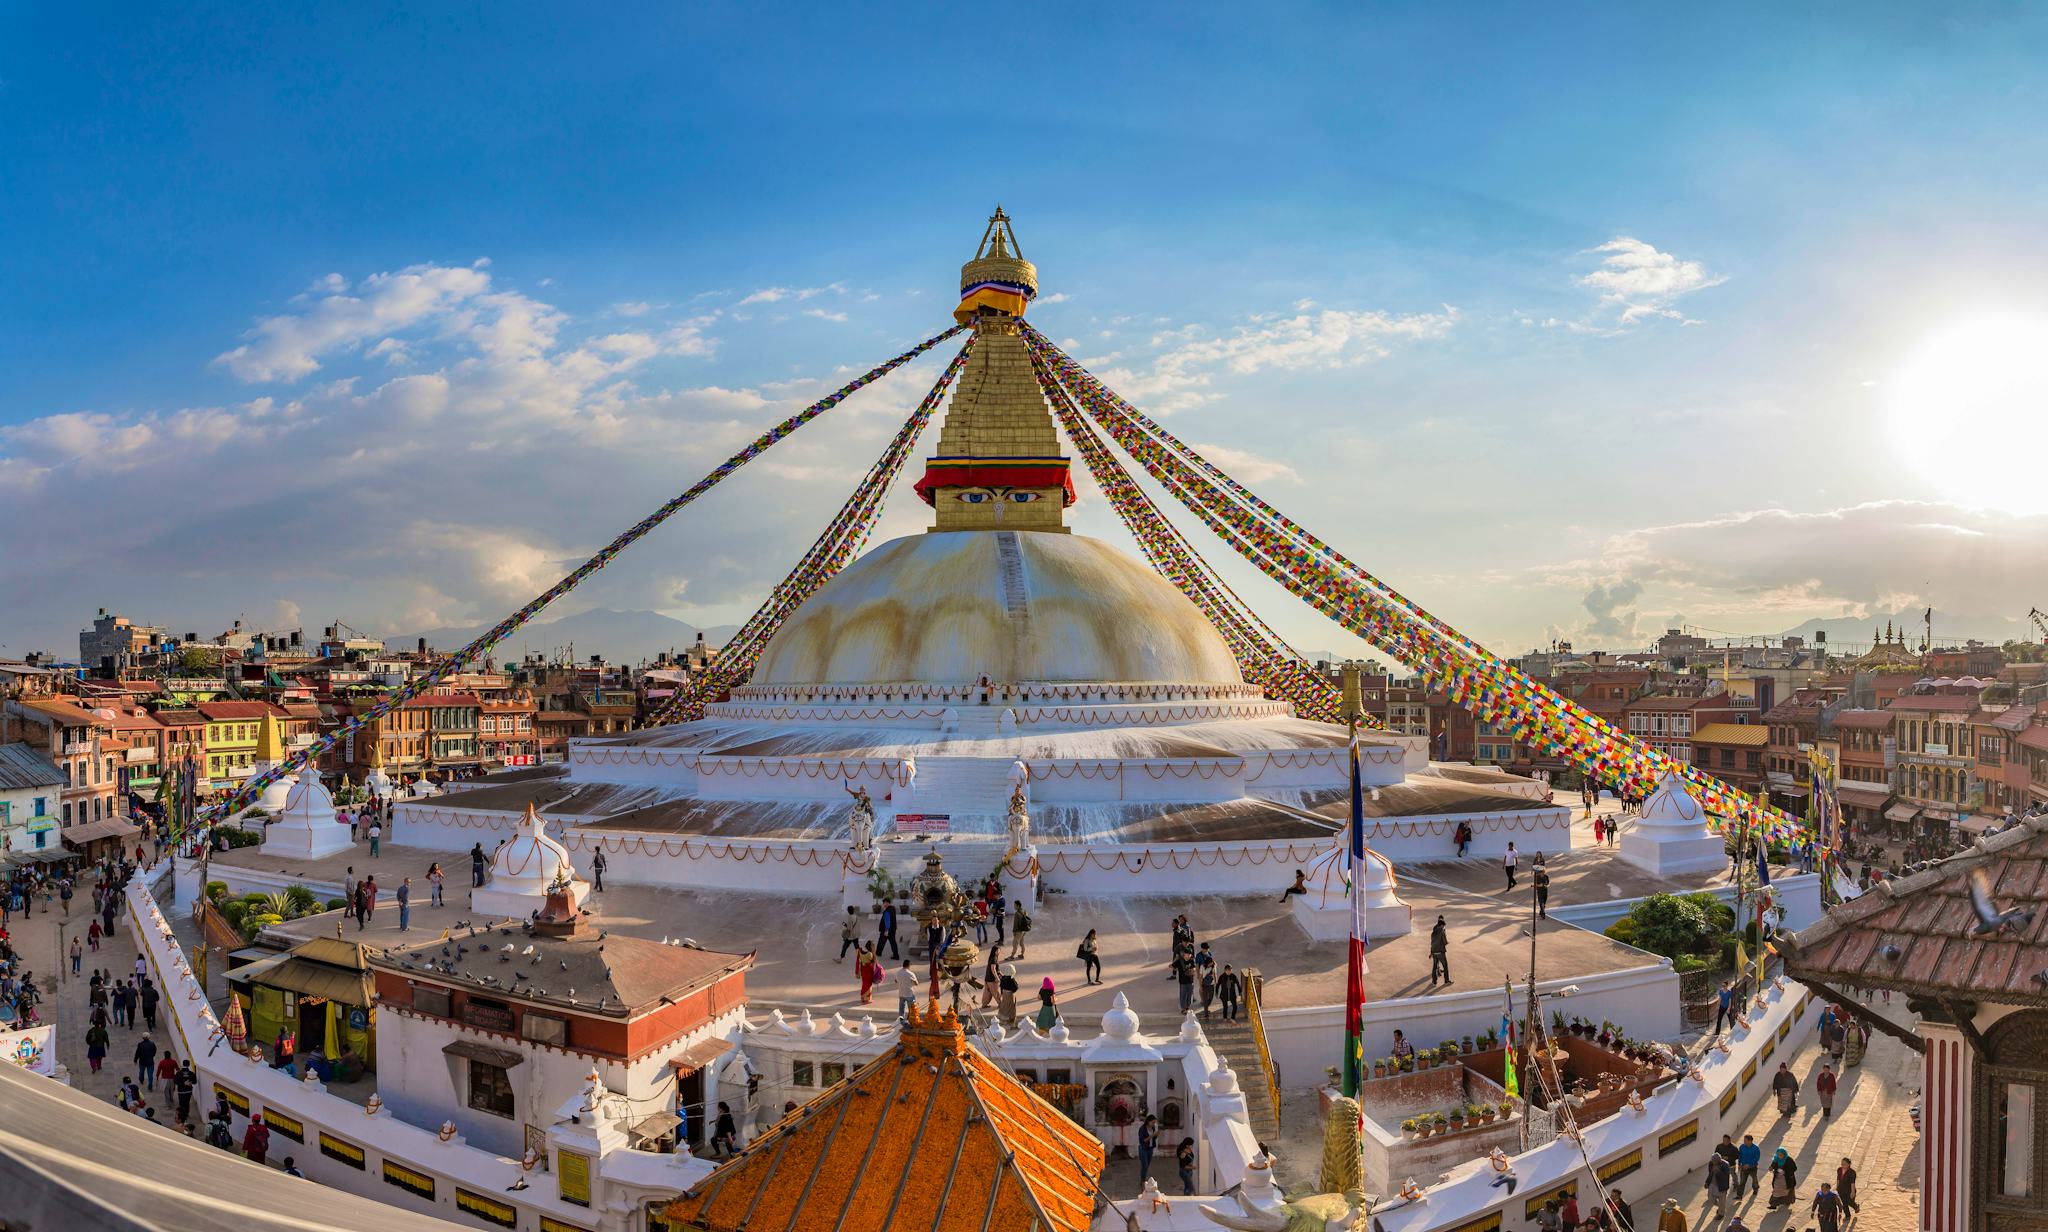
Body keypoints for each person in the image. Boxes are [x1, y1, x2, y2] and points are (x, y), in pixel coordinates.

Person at [1704, 1143, 1732, 1224]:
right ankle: (1720, 1207)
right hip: (1713, 1184)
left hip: (1722, 1185)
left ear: (1719, 1160)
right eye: (1713, 1162)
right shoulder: (1711, 1163)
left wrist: (1718, 1172)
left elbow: (1726, 1176)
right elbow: (1710, 1173)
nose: (1714, 1163)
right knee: (1711, 1199)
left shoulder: (1725, 1165)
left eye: (1715, 1162)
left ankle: (1721, 1213)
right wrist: (1707, 1182)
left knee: (1722, 1201)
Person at [1428, 916, 1450, 987]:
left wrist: (1431, 953)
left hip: (1434, 952)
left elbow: (1432, 943)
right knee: (1445, 966)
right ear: (1441, 925)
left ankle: (1434, 982)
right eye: (1443, 926)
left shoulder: (1433, 932)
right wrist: (1447, 942)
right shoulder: (1442, 931)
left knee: (1434, 967)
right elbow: (1445, 942)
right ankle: (1446, 981)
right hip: (1441, 952)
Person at [1137, 1114, 1159, 1183]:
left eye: (1154, 1122)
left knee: (1147, 1166)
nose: (1153, 1124)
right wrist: (1153, 1135)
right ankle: (1142, 1181)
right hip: (1143, 1149)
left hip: (1150, 1149)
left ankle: (1143, 1179)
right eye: (1152, 1122)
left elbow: (1153, 1139)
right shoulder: (1142, 1129)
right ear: (1148, 1121)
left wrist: (1156, 1135)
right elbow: (1142, 1140)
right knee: (1145, 1166)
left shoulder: (1153, 1128)